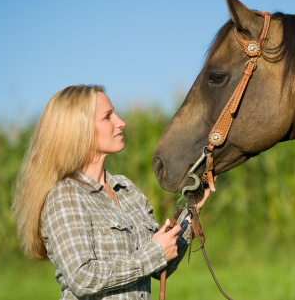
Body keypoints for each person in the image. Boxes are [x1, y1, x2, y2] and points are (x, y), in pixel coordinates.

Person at [12, 84, 211, 299]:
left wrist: (192, 209)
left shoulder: (127, 190)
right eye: (108, 117)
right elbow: (82, 278)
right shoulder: (65, 196)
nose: (121, 122)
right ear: (80, 130)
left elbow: (160, 266)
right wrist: (154, 254)